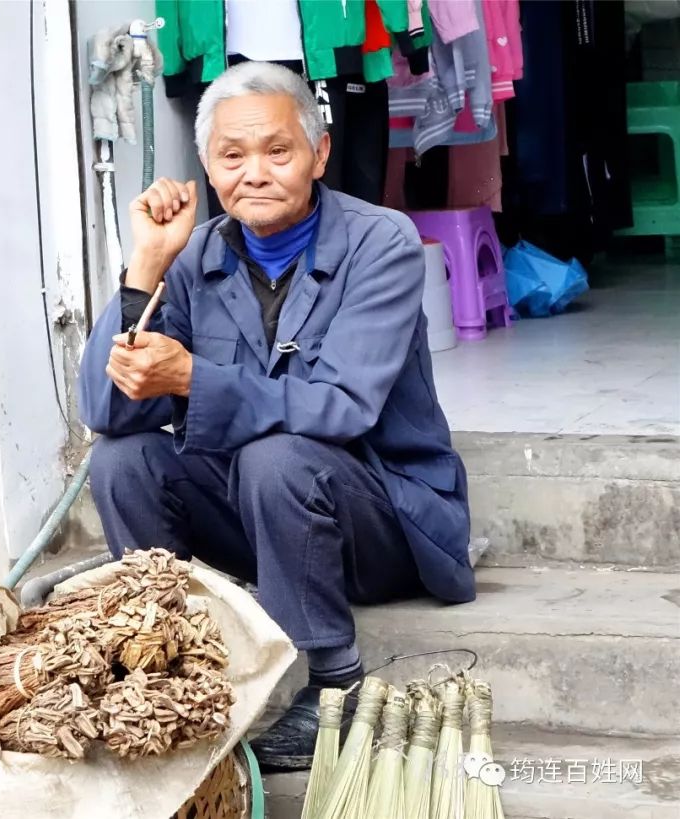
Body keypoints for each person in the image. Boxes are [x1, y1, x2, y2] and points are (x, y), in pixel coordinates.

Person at [77, 61, 474, 772]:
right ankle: (160, 662)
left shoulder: (380, 242)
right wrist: (144, 268)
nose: (253, 173)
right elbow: (107, 411)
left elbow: (341, 405)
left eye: (277, 151)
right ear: (207, 163)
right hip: (264, 521)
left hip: (376, 519)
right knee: (121, 460)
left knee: (277, 453)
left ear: (319, 154)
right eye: (232, 156)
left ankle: (334, 688)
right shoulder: (195, 254)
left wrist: (195, 378)